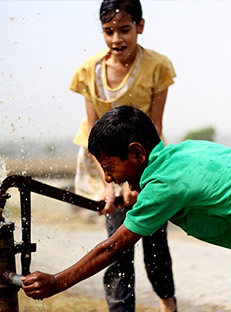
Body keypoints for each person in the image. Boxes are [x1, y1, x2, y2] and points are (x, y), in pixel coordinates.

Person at [22, 106, 231, 312]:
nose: (108, 178)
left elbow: (111, 248)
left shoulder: (164, 186)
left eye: (110, 167)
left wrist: (57, 281)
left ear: (136, 153)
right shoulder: (185, 153)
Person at [68, 0, 176, 311]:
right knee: (116, 247)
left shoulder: (158, 66)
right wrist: (109, 186)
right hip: (105, 165)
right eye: (109, 31)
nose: (117, 39)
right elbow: (93, 134)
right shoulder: (89, 71)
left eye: (125, 30)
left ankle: (169, 305)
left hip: (147, 160)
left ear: (140, 26)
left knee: (155, 245)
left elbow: (155, 126)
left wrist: (138, 183)